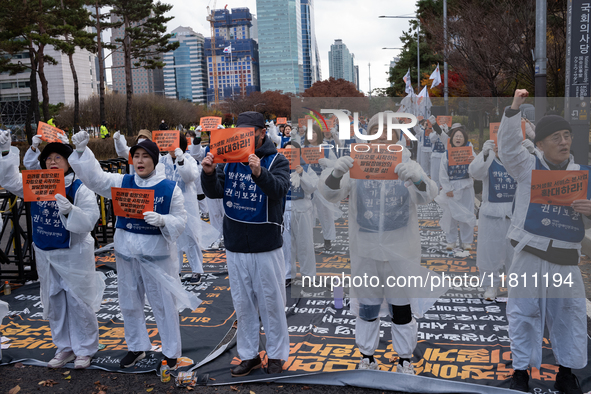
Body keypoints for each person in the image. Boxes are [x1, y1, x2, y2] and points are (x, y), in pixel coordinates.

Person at [318, 113, 444, 374]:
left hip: (401, 251)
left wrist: (417, 179)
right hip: (365, 250)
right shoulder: (357, 166)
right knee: (368, 306)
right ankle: (367, 356)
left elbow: (428, 195)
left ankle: (404, 359)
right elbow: (331, 193)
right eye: (376, 130)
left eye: (389, 131)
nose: (383, 136)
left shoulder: (409, 165)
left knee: (402, 308)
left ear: (399, 137)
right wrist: (337, 172)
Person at [68, 131, 199, 370]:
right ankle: (137, 346)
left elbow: (181, 220)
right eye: (135, 156)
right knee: (129, 302)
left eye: (144, 156)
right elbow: (96, 179)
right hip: (126, 255)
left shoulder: (169, 189)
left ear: (154, 160)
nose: (139, 161)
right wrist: (81, 153)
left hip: (157, 257)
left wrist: (163, 220)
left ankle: (170, 352)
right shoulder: (123, 183)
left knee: (163, 304)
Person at [499, 89, 589, 394]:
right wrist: (513, 110)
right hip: (529, 257)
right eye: (556, 137)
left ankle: (566, 373)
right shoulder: (528, 168)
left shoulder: (582, 176)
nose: (564, 142)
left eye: (567, 135)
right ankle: (520, 372)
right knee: (523, 315)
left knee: (569, 315)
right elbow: (509, 148)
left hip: (565, 263)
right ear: (540, 144)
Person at [0, 130, 105, 370]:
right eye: (49, 158)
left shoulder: (79, 188)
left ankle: (85, 349)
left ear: (69, 162)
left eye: (58, 157)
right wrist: (5, 152)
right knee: (55, 301)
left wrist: (70, 211)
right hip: (46, 254)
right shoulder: (37, 184)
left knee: (79, 302)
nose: (52, 162)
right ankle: (64, 347)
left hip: (73, 254)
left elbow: (90, 219)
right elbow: (9, 181)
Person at [200, 111, 290, 377]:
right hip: (236, 244)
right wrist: (207, 173)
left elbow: (279, 190)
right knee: (243, 304)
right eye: (240, 131)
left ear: (262, 132)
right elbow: (215, 190)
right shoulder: (227, 161)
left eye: (250, 131)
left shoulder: (277, 160)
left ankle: (275, 355)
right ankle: (248, 354)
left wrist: (259, 173)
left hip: (266, 245)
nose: (244, 136)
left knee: (272, 302)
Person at [160, 132, 218, 284]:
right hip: (168, 205)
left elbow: (190, 177)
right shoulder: (161, 161)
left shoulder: (189, 160)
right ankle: (175, 271)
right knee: (173, 238)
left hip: (187, 205)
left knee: (191, 237)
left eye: (175, 144)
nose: (172, 148)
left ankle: (196, 270)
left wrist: (181, 161)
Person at [282, 141, 319, 287]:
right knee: (285, 244)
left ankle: (308, 275)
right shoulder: (278, 168)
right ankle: (287, 274)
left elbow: (312, 187)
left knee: (305, 243)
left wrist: (301, 173)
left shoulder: (306, 167)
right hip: (283, 210)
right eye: (286, 152)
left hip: (302, 208)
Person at [436, 124, 476, 250]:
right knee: (450, 215)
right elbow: (442, 172)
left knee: (467, 214)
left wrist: (473, 161)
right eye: (456, 136)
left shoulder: (470, 152)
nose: (458, 138)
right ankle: (451, 241)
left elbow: (476, 170)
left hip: (466, 187)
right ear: (452, 139)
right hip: (452, 189)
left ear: (464, 139)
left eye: (461, 136)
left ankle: (467, 241)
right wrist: (447, 188)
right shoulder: (446, 154)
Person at [428, 116, 448, 188]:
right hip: (435, 156)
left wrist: (445, 130)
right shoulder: (432, 134)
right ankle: (435, 193)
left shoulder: (446, 134)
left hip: (444, 156)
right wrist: (438, 130)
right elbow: (432, 139)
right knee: (435, 175)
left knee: (443, 175)